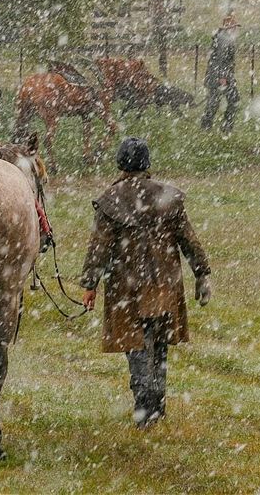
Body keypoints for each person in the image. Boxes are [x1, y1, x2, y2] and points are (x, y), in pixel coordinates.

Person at [81, 137, 212, 428]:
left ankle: (144, 407)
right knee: (159, 341)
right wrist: (202, 274)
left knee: (136, 343)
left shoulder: (111, 200)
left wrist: (90, 284)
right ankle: (157, 403)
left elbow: (99, 247)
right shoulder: (168, 196)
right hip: (165, 282)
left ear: (120, 164)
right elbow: (188, 239)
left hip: (126, 286)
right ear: (147, 164)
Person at [200, 13, 240, 132]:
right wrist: (222, 77)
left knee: (214, 102)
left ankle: (208, 126)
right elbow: (220, 59)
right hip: (220, 76)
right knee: (230, 100)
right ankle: (224, 126)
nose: (236, 29)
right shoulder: (224, 39)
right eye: (234, 27)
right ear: (229, 27)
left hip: (218, 75)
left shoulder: (222, 37)